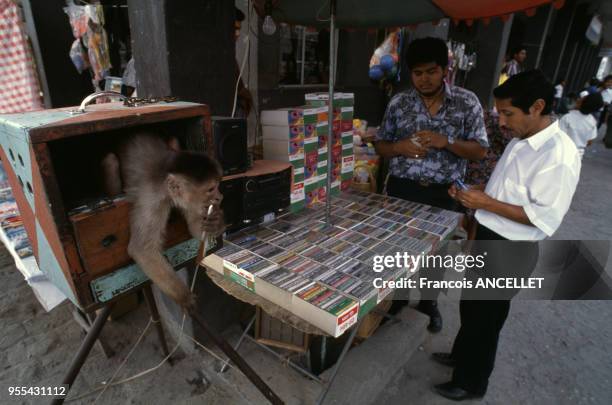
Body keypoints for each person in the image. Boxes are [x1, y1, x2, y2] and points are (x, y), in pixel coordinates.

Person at [432, 70, 581, 401]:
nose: (501, 122)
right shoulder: (520, 140)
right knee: (472, 307)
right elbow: (505, 189)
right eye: (500, 113)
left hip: (511, 249)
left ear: (537, 107)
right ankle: (461, 357)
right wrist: (477, 193)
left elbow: (540, 217)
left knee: (487, 318)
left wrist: (484, 201)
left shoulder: (558, 154)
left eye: (509, 113)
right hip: (489, 234)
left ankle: (471, 383)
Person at [375, 37, 488, 333]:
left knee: (436, 256)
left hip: (444, 193)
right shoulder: (400, 103)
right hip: (402, 189)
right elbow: (381, 146)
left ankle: (429, 303)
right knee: (398, 250)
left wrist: (446, 142)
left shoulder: (467, 102)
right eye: (417, 73)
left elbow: (480, 150)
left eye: (431, 71)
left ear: (445, 69)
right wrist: (399, 146)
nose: (424, 79)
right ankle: (397, 300)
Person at [559, 92, 603, 159]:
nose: (578, 99)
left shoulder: (567, 117)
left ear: (581, 102)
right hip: (578, 155)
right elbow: (589, 142)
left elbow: (559, 135)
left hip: (563, 152)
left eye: (581, 98)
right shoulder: (592, 121)